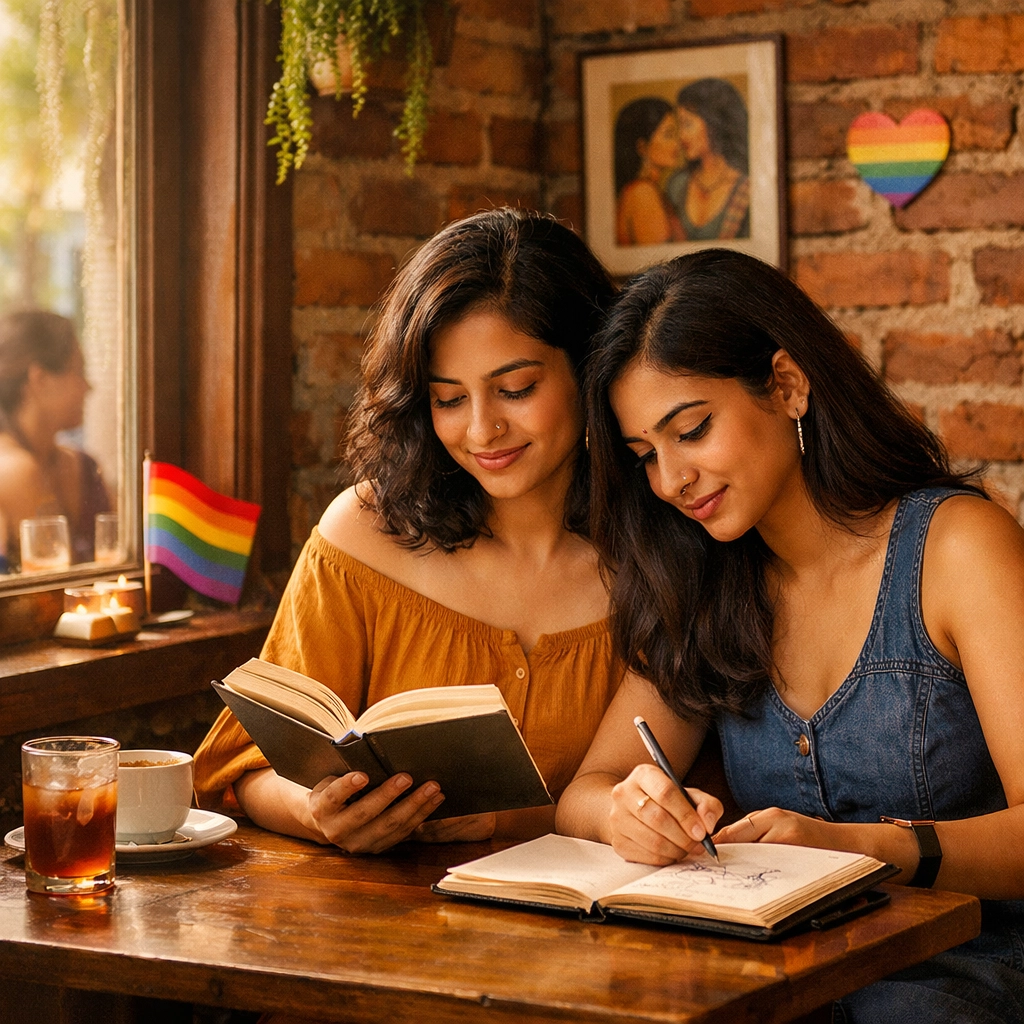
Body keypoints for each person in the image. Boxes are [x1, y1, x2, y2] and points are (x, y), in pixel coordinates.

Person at [557, 249, 1024, 1023]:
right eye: (645, 455)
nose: (671, 480)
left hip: (969, 970)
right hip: (785, 973)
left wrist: (869, 848)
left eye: (692, 430)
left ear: (787, 385)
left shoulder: (956, 548)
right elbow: (585, 790)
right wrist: (624, 813)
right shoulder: (707, 584)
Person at [194, 208, 622, 855]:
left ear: (590, 370)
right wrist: (318, 814)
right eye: (449, 398)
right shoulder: (362, 534)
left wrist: (501, 824)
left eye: (515, 388)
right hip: (381, 935)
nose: (481, 430)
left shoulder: (652, 556)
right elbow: (240, 770)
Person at [0, 309, 110, 568]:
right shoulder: (15, 470)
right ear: (40, 379)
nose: (88, 387)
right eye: (78, 371)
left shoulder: (83, 465)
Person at [665, 78, 750, 240]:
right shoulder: (677, 185)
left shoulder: (746, 189)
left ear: (713, 125)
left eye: (687, 124)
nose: (681, 136)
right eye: (679, 126)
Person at [614, 97, 684, 246]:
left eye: (675, 134)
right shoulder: (643, 193)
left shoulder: (652, 190)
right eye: (668, 134)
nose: (677, 143)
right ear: (642, 147)